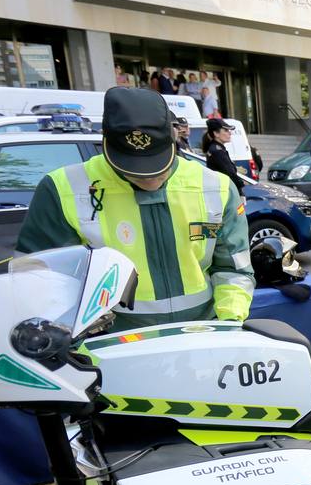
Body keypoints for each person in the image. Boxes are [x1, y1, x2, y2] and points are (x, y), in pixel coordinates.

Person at [16, 87, 252, 329]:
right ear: (107, 145)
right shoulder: (63, 189)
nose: (150, 179)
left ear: (173, 140)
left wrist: (229, 323)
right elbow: (40, 278)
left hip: (203, 334)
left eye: (157, 166)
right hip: (108, 343)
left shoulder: (216, 187)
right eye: (134, 170)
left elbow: (234, 269)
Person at [202, 118, 242, 194]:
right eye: (226, 130)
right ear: (216, 133)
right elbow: (230, 173)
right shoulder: (217, 151)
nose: (229, 133)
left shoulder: (216, 149)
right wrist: (241, 187)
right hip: (224, 191)